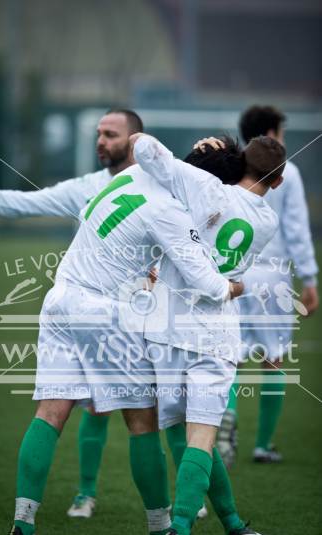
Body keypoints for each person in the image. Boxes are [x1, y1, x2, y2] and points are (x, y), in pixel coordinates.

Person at [6, 138, 244, 534]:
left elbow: (105, 219)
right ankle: (161, 525)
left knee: (50, 413)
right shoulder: (171, 211)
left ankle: (23, 523)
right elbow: (205, 283)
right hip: (102, 309)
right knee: (144, 419)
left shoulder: (136, 171)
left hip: (61, 295)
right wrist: (238, 286)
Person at [132, 132, 286, 535]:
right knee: (203, 434)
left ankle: (227, 523)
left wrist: (200, 151)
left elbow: (143, 148)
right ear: (278, 182)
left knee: (188, 433)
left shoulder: (203, 185)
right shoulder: (268, 220)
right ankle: (187, 527)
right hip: (215, 330)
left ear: (237, 164)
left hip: (167, 327)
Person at [217, 105, 319, 465]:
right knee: (273, 359)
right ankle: (263, 444)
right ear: (273, 134)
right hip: (272, 277)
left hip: (233, 276)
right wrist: (309, 277)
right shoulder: (286, 171)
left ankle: (224, 424)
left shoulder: (230, 168)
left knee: (230, 359)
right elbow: (296, 228)